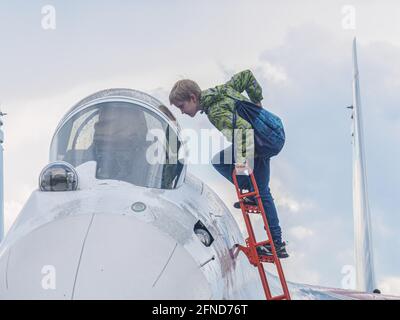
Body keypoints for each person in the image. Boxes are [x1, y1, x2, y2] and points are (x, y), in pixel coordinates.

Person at [169, 70, 288, 258]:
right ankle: (276, 244)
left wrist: (242, 167)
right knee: (262, 191)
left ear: (193, 98)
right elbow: (247, 76)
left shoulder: (216, 111)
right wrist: (257, 103)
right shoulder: (223, 90)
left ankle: (249, 191)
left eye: (182, 106)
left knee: (219, 161)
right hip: (272, 132)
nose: (182, 112)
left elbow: (244, 131)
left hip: (262, 140)